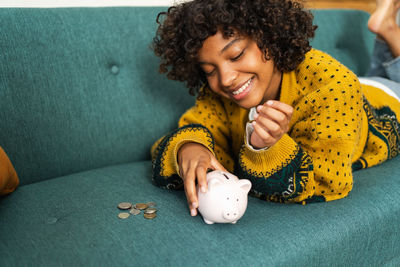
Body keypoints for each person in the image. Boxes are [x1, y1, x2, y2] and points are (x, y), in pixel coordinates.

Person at [150, 0, 400, 217]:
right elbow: (193, 130)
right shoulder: (219, 94)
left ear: (269, 36)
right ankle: (386, 29)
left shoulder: (334, 84)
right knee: (375, 74)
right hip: (361, 86)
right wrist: (191, 147)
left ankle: (388, 31)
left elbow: (328, 182)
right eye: (209, 70)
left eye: (236, 55)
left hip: (386, 102)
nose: (225, 79)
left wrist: (266, 148)